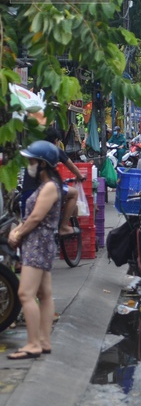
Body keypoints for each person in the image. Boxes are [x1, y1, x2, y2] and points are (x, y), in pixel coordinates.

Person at [7, 141, 63, 359]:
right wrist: (19, 231)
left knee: (25, 293)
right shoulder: (47, 186)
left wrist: (18, 233)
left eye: (32, 160)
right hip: (41, 242)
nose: (29, 164)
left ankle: (33, 344)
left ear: (42, 164)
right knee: (44, 294)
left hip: (38, 244)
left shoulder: (49, 187)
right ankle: (43, 341)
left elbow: (36, 217)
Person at [39, 127, 86, 236]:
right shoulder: (55, 150)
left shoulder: (36, 149)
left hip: (34, 186)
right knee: (74, 193)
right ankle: (64, 227)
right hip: (48, 187)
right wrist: (80, 176)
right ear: (56, 140)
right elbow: (71, 166)